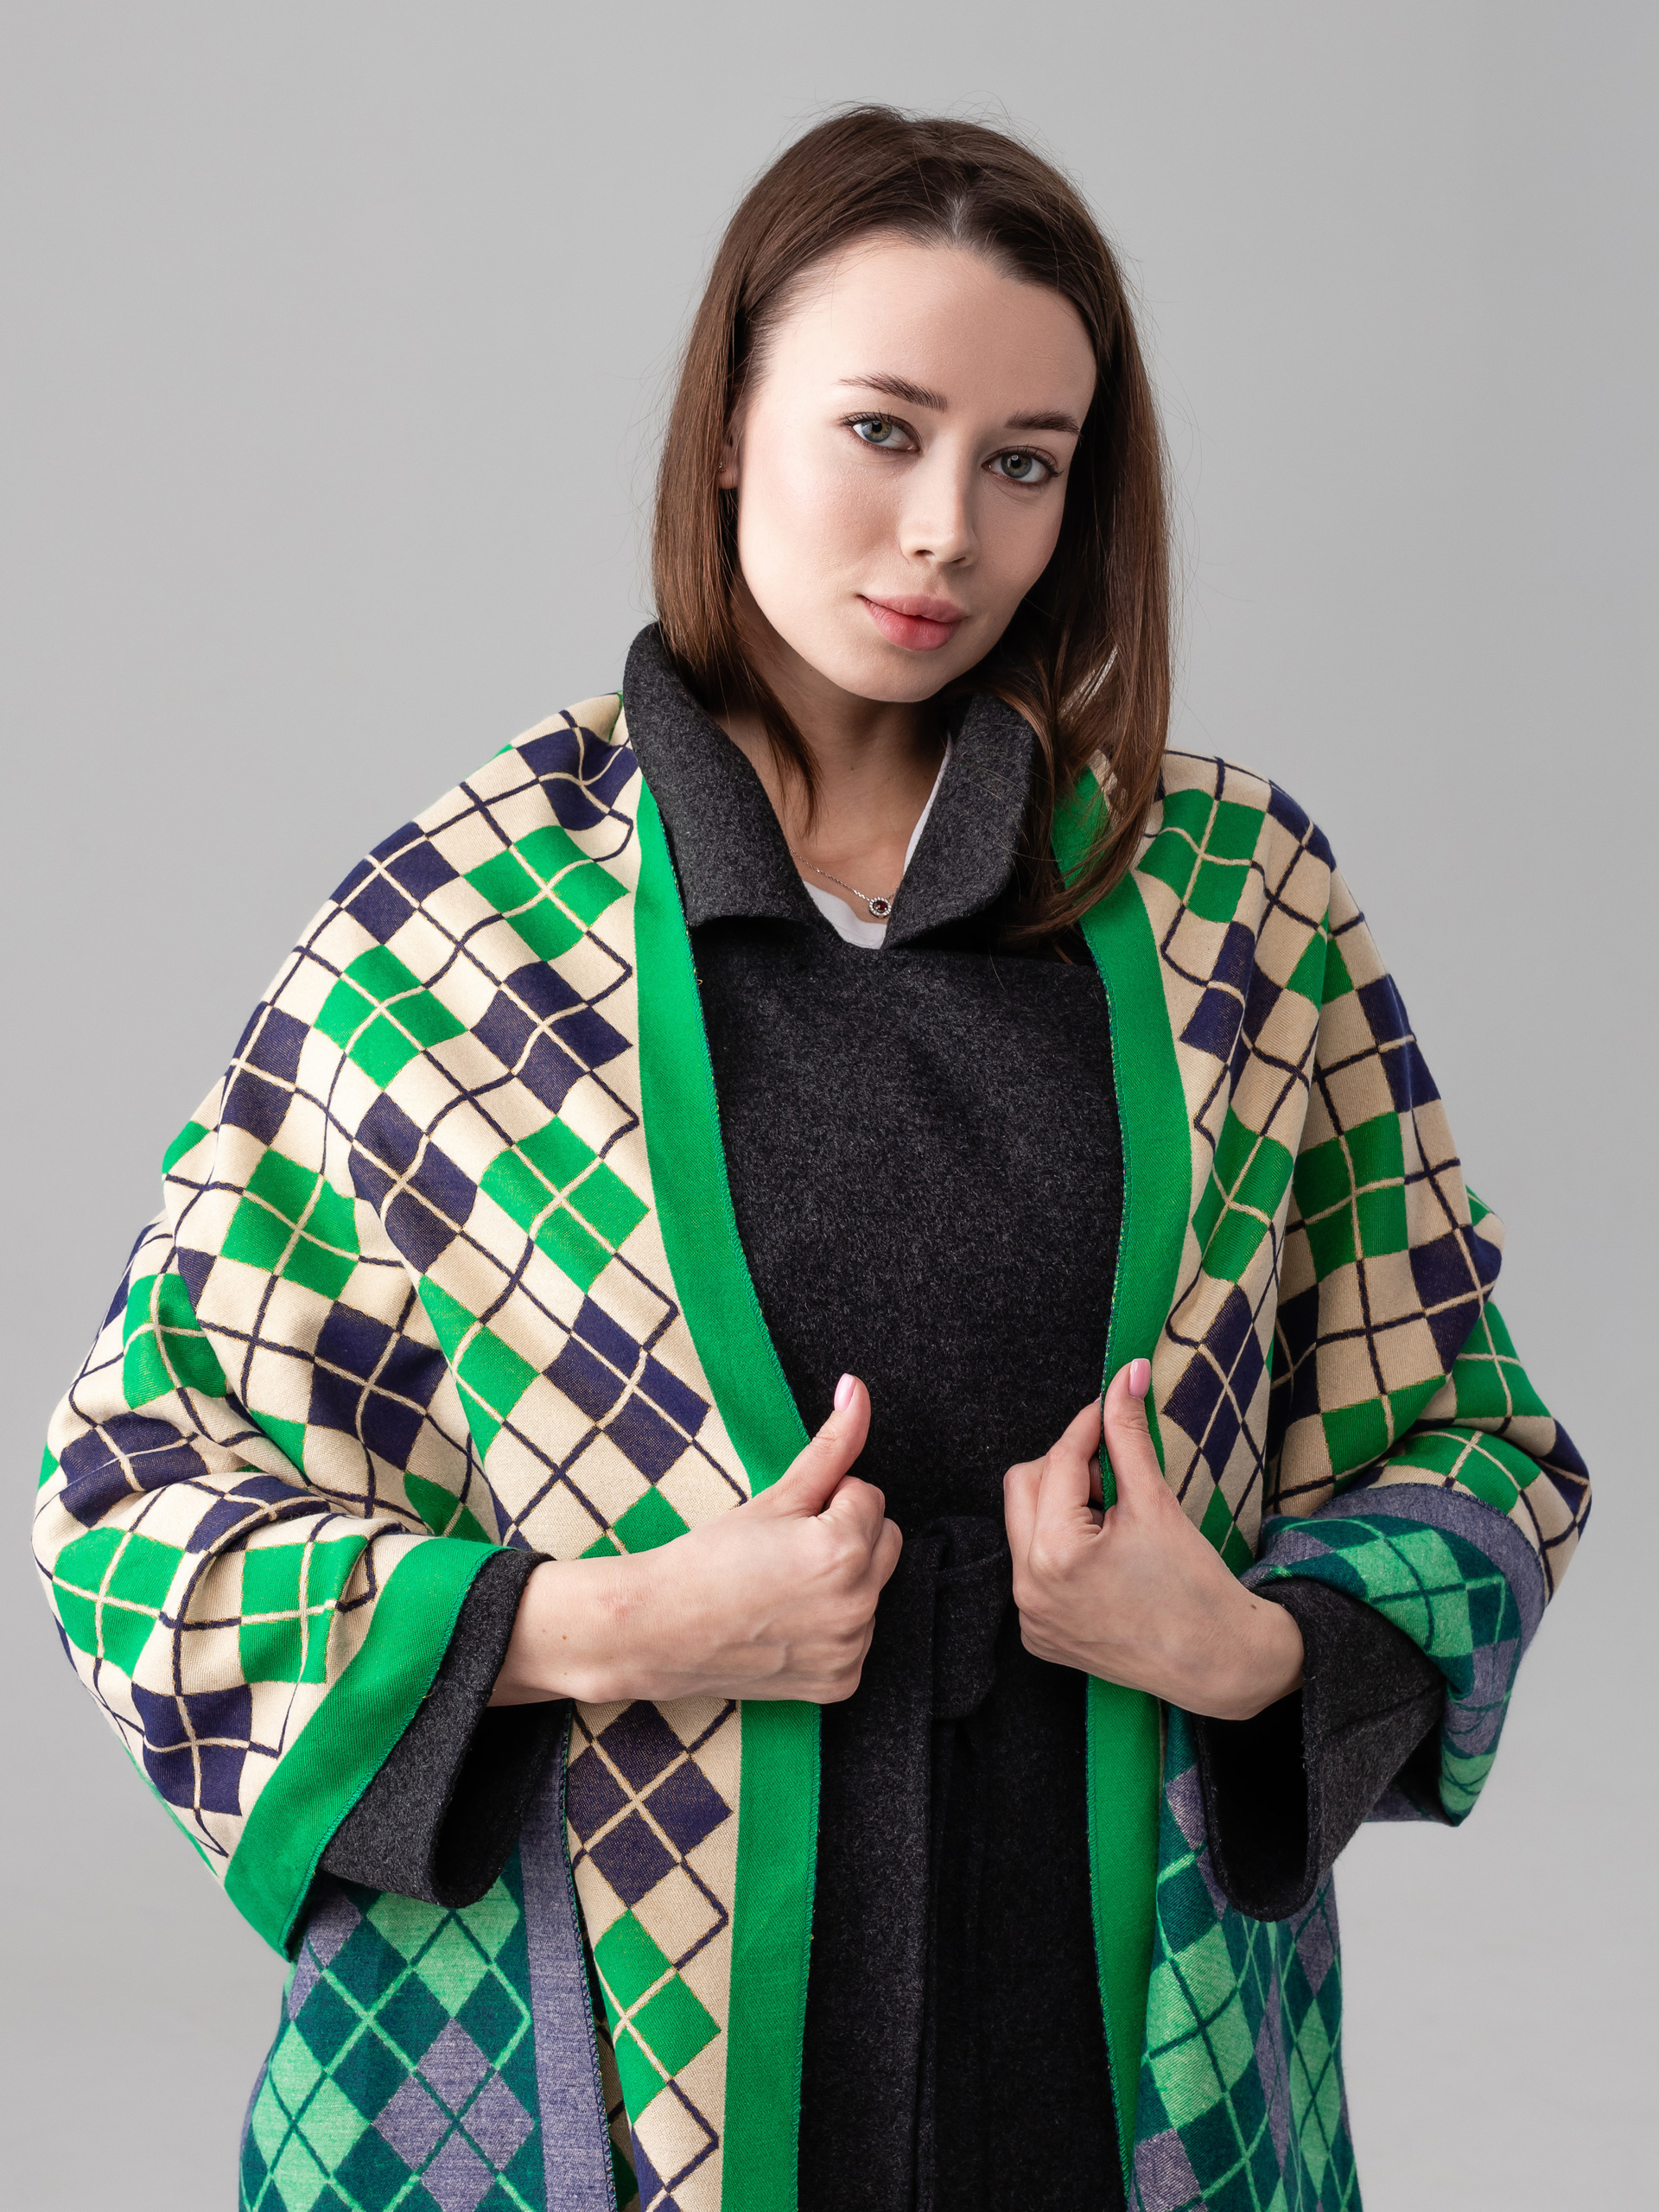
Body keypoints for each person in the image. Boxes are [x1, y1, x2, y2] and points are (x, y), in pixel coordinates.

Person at [35, 107, 1589, 2212]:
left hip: (1114, 2062)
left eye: (1024, 461)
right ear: (728, 430)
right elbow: (134, 1504)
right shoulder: (451, 934)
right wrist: (603, 1622)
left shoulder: (1238, 905)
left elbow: (1479, 1447)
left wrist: (1235, 1648)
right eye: (881, 429)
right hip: (600, 2080)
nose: (944, 530)